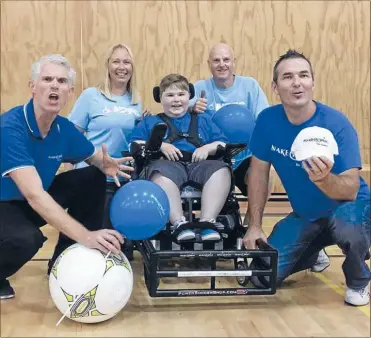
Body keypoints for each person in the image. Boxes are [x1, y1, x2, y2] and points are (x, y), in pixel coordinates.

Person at [242, 49, 370, 306]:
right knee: (262, 277)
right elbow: (258, 172)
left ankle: (358, 281)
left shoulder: (336, 123)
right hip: (306, 214)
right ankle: (313, 252)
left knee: (347, 224)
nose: (297, 82)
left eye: (303, 75)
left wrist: (323, 179)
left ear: (313, 82)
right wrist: (255, 224)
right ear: (275, 87)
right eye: (288, 77)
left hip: (349, 208)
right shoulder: (267, 121)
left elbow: (350, 190)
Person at [0, 54, 134, 300]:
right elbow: (34, 194)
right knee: (26, 239)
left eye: (61, 81)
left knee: (91, 177)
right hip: (6, 204)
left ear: (69, 91)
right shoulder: (10, 127)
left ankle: (65, 260)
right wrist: (87, 235)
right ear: (33, 87)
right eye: (47, 79)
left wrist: (106, 164)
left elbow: (92, 155)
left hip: (28, 203)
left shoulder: (63, 128)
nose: (54, 85)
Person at [191, 43, 329, 272]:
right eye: (216, 61)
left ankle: (252, 225)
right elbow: (180, 114)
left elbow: (263, 119)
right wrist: (192, 108)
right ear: (209, 65)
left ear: (234, 62)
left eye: (226, 59)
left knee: (262, 174)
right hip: (213, 159)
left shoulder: (249, 86)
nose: (222, 65)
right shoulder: (199, 88)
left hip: (245, 155)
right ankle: (207, 230)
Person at [66, 44, 144, 259]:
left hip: (123, 177)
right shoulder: (91, 95)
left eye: (126, 62)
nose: (122, 67)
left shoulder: (136, 100)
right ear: (108, 66)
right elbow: (71, 135)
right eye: (116, 61)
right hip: (91, 175)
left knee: (116, 246)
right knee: (87, 243)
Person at [130, 74, 231, 242]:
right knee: (159, 174)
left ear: (189, 96)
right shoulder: (150, 122)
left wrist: (208, 147)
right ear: (159, 98)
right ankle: (179, 224)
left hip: (200, 164)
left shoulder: (203, 120)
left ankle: (207, 223)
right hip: (166, 166)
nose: (176, 100)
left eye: (181, 94)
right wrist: (160, 145)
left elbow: (222, 143)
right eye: (169, 95)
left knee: (222, 170)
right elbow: (135, 144)